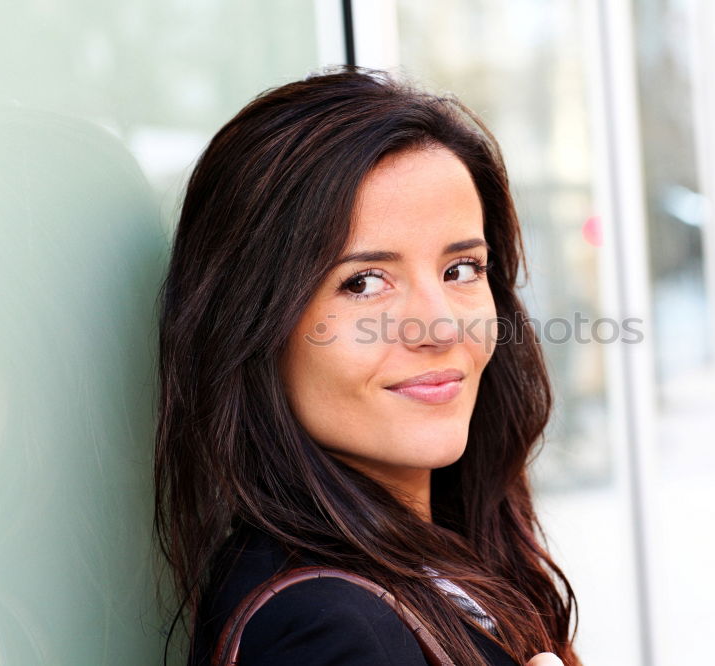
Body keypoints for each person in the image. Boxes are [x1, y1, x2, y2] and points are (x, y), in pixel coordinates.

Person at [153, 65, 580, 666]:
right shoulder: (325, 628)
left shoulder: (438, 557)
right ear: (251, 323)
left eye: (462, 270)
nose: (441, 327)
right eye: (364, 283)